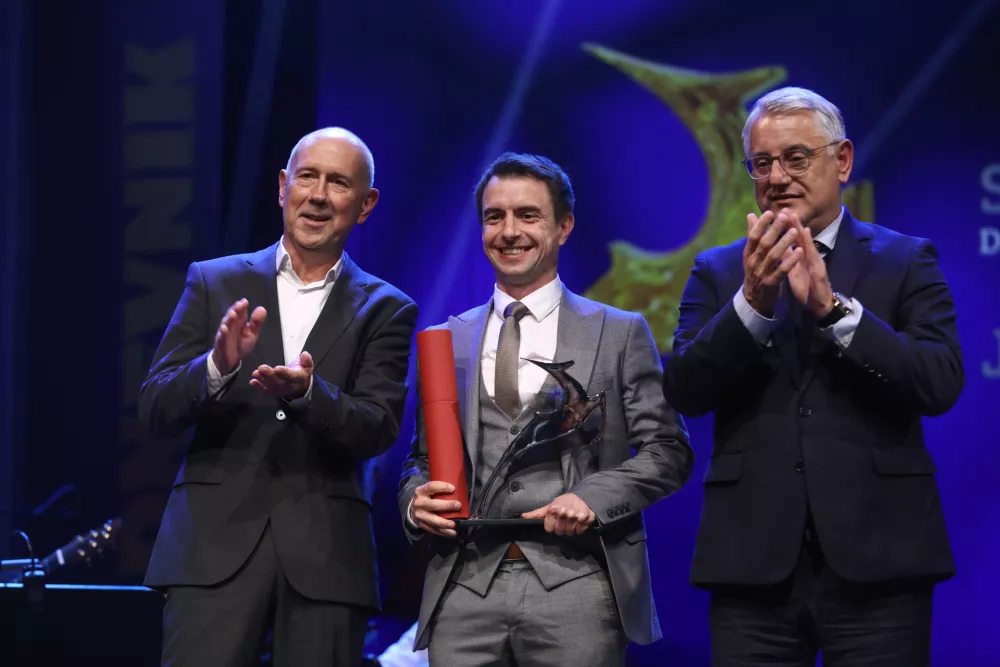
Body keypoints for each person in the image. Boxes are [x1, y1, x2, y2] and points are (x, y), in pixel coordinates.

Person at [663, 87, 963, 666]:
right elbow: (685, 390)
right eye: (762, 163)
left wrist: (835, 312)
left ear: (842, 161)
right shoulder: (719, 271)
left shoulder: (905, 261)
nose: (777, 176)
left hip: (880, 561)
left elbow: (939, 381)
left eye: (797, 158)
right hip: (753, 569)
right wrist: (751, 302)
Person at [398, 152, 693, 667]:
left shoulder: (619, 331)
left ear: (564, 226)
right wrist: (413, 502)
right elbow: (420, 459)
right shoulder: (448, 340)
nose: (509, 231)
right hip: (465, 588)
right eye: (495, 217)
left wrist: (592, 498)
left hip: (577, 584)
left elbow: (668, 449)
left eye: (528, 215)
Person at [138, 127, 418, 667]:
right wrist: (216, 367)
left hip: (328, 558)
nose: (317, 195)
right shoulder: (213, 281)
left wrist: (312, 393)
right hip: (211, 550)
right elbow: (155, 407)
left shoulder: (387, 308)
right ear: (283, 186)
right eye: (308, 177)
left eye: (338, 183)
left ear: (365, 205)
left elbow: (378, 427)